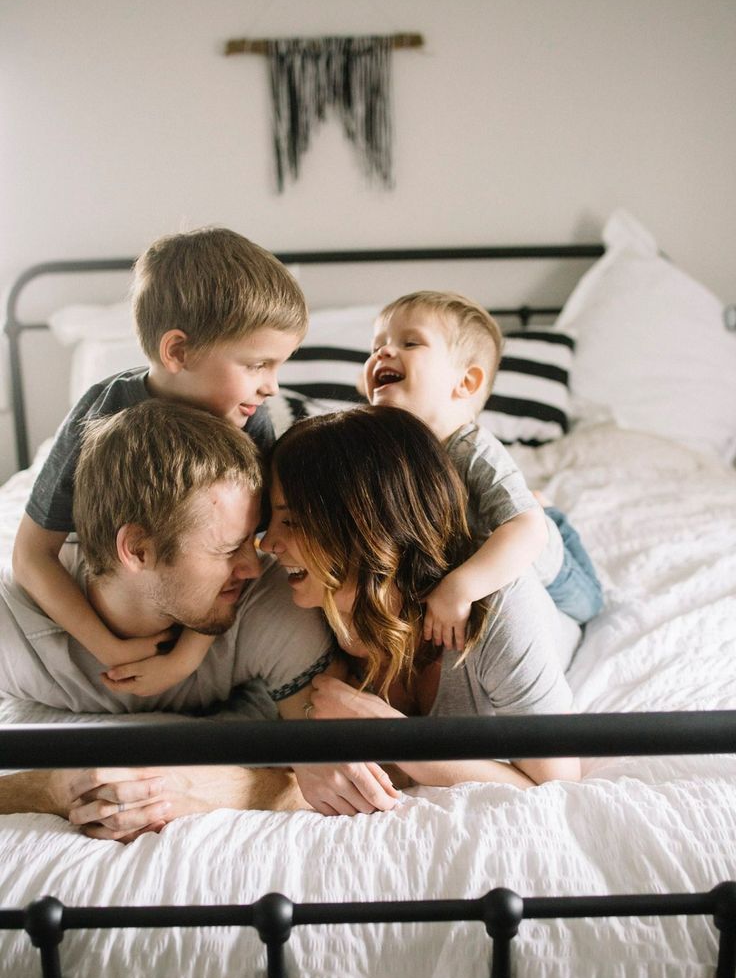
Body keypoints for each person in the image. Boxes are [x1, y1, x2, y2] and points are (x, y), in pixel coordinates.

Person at [0, 400, 400, 836]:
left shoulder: (272, 601)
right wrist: (56, 788)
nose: (256, 563)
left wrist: (186, 786)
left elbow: (334, 777)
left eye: (254, 537)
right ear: (137, 550)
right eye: (228, 550)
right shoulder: (13, 626)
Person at [11, 227, 308, 698]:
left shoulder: (252, 422)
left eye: (278, 367)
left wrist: (183, 659)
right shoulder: (101, 412)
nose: (271, 386)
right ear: (178, 351)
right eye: (256, 365)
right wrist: (107, 647)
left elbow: (243, 552)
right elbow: (31, 554)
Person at [261, 406, 583, 793]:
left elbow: (557, 785)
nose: (267, 544)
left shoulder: (498, 607)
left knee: (542, 531)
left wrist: (391, 734)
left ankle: (544, 507)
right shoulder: (308, 603)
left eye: (292, 521)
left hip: (557, 593)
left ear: (366, 527)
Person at [361, 290, 603, 650]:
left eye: (410, 343)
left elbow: (527, 531)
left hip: (539, 551)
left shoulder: (474, 450)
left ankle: (549, 513)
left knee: (589, 605)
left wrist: (458, 589)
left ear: (466, 383)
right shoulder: (387, 449)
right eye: (377, 345)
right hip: (475, 538)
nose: (382, 352)